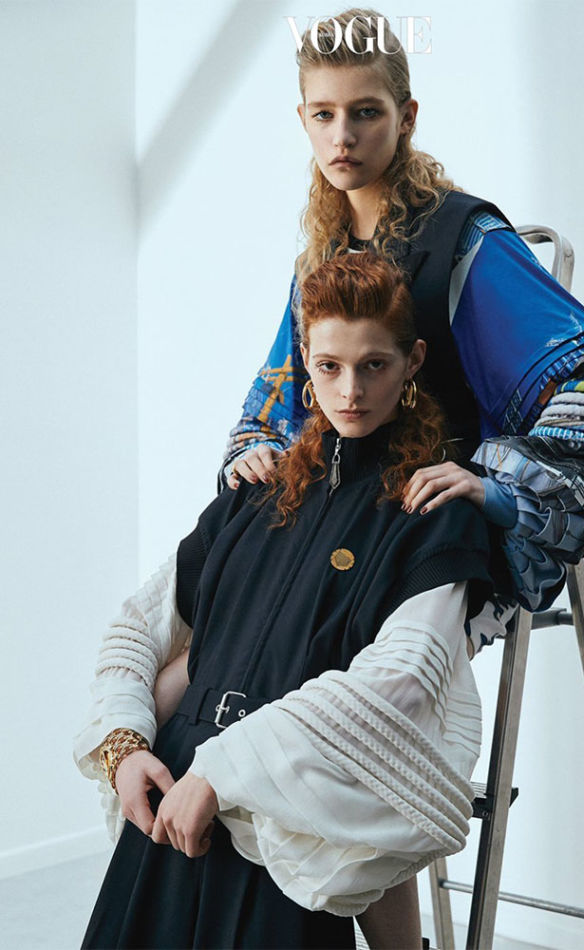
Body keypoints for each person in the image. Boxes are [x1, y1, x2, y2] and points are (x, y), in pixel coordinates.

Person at [74, 252, 497, 949]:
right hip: (167, 807)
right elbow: (137, 627)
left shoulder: (432, 513)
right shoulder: (255, 492)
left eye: (374, 365)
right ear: (304, 361)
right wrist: (124, 747)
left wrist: (224, 771)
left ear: (413, 361)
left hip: (286, 830)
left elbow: (401, 679)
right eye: (329, 366)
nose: (350, 390)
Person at [224, 8, 584, 623]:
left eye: (366, 112)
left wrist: (495, 486)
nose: (342, 137)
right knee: (214, 580)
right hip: (337, 522)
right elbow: (280, 398)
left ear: (406, 117)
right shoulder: (320, 258)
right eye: (324, 114)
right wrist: (256, 450)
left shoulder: (464, 243)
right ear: (303, 119)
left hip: (427, 536)